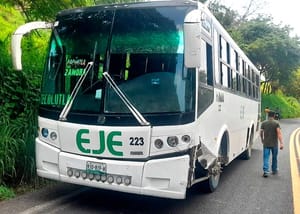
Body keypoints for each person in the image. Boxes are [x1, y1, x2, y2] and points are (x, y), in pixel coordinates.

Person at [260, 111, 284, 177]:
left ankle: (266, 171)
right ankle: (274, 170)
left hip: (266, 144)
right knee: (274, 157)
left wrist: (262, 139)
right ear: (274, 116)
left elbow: (261, 132)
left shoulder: (264, 123)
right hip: (274, 144)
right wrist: (281, 143)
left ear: (268, 115)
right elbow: (279, 133)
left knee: (266, 157)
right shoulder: (276, 123)